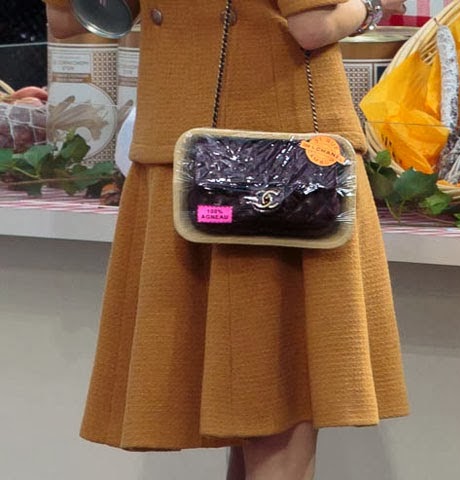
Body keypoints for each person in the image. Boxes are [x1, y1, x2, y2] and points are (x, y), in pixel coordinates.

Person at [45, 0, 409, 478]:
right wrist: (372, 6)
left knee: (251, 407)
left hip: (181, 156)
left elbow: (69, 19)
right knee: (278, 403)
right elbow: (313, 26)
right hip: (277, 165)